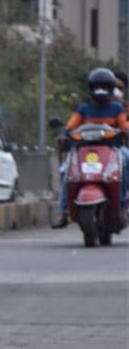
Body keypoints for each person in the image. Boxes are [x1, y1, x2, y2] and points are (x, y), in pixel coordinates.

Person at [53, 67, 129, 228]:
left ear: (110, 89)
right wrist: (63, 135)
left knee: (125, 160)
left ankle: (122, 205)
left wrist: (125, 132)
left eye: (105, 87)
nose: (100, 91)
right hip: (84, 151)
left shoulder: (117, 108)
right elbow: (70, 126)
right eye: (97, 87)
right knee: (68, 171)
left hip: (113, 150)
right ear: (91, 89)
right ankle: (63, 211)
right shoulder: (83, 109)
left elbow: (124, 124)